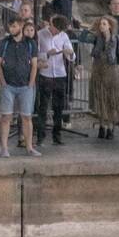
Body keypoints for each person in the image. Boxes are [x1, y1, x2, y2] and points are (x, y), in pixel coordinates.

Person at [0, 17, 39, 158]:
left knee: (27, 117)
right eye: (10, 27)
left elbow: (34, 65)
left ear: (20, 26)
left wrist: (31, 83)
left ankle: (29, 147)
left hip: (25, 85)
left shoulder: (30, 43)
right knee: (6, 116)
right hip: (9, 85)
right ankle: (4, 148)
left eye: (14, 26)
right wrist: (3, 82)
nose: (11, 29)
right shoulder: (4, 43)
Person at [35, 15, 75, 147]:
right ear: (51, 25)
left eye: (58, 31)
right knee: (43, 106)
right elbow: (36, 53)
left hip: (59, 73)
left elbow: (72, 55)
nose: (56, 33)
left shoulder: (64, 36)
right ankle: (40, 136)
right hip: (45, 73)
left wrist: (69, 53)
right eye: (55, 29)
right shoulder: (40, 34)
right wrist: (47, 54)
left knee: (58, 107)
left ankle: (57, 135)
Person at [90, 16, 119, 141]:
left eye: (104, 24)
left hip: (111, 70)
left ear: (110, 25)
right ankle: (102, 126)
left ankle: (110, 127)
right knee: (100, 98)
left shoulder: (116, 39)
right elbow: (83, 38)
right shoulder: (97, 38)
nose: (102, 26)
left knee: (111, 99)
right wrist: (90, 29)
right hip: (98, 69)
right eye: (100, 24)